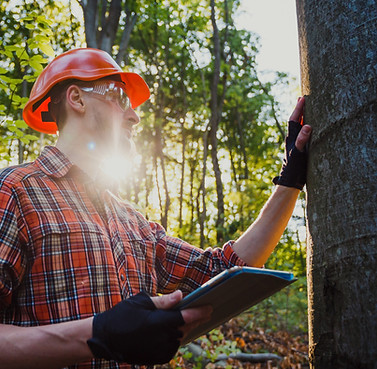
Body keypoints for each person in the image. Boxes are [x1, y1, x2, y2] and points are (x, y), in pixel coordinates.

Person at [0, 48, 312, 369]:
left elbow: (224, 269)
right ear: (77, 99)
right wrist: (98, 336)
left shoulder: (133, 221)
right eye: (120, 97)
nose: (134, 115)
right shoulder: (15, 190)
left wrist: (290, 180)